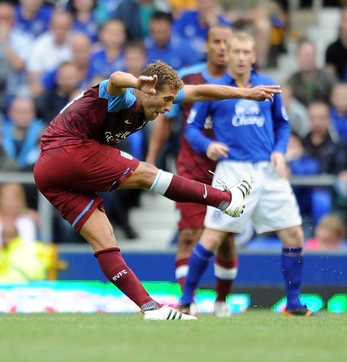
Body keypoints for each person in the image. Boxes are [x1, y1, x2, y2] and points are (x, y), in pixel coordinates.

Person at [32, 59, 279, 320]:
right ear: (148, 89)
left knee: (105, 241)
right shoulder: (124, 99)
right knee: (148, 174)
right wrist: (135, 82)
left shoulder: (153, 100)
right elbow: (116, 78)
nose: (169, 108)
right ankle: (226, 199)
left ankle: (149, 307)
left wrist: (246, 93)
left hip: (49, 174)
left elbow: (199, 92)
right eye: (167, 99)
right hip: (67, 151)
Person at [179, 32, 310, 317]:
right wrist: (208, 144)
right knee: (212, 237)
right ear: (226, 54)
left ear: (253, 56)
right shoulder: (213, 89)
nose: (240, 57)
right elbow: (191, 128)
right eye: (234, 51)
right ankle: (187, 298)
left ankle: (294, 303)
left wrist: (279, 150)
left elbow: (283, 126)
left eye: (245, 52)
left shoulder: (268, 86)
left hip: (267, 168)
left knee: (294, 233)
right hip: (233, 170)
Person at [144, 25, 240, 317]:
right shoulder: (187, 79)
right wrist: (150, 158)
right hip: (191, 169)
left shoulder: (245, 80)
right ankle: (189, 301)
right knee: (188, 236)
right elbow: (165, 119)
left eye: (228, 43)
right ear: (207, 46)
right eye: (217, 42)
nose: (222, 47)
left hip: (231, 171)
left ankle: (222, 302)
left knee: (225, 240)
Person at [285, 40, 337, 107]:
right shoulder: (291, 81)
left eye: (310, 55)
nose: (307, 59)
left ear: (315, 56)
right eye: (303, 55)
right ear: (297, 57)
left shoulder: (329, 78)